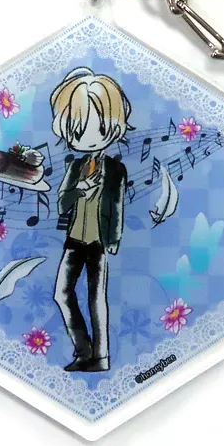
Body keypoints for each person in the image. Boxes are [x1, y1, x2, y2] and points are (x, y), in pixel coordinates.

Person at [51, 67, 133, 372]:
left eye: (97, 128)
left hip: (99, 242)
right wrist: (78, 189)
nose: (85, 138)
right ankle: (83, 351)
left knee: (96, 299)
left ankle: (101, 358)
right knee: (61, 294)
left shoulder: (116, 170)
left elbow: (117, 206)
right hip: (74, 241)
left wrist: (114, 239)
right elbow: (62, 204)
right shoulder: (74, 167)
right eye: (76, 131)